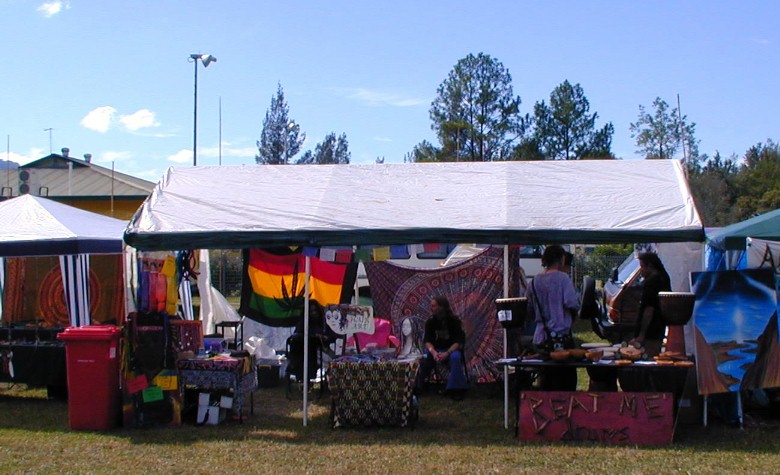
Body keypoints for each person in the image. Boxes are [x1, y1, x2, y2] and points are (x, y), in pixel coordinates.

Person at [526, 245, 580, 391]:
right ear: (561, 259)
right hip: (561, 338)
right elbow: (572, 303)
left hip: (541, 337)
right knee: (565, 381)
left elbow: (529, 309)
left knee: (545, 378)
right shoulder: (563, 279)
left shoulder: (534, 281)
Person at [415, 296, 468, 399]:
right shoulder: (430, 322)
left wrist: (447, 353)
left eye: (434, 306)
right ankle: (419, 386)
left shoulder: (454, 321)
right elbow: (427, 341)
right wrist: (434, 352)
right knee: (425, 355)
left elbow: (458, 342)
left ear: (442, 307)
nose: (431, 308)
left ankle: (456, 389)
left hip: (451, 350)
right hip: (436, 351)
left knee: (455, 357)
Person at [630, 252, 672, 358]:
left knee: (647, 358)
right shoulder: (664, 277)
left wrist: (641, 335)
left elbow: (649, 309)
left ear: (650, 266)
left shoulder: (652, 282)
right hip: (660, 327)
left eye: (642, 266)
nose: (641, 270)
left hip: (651, 331)